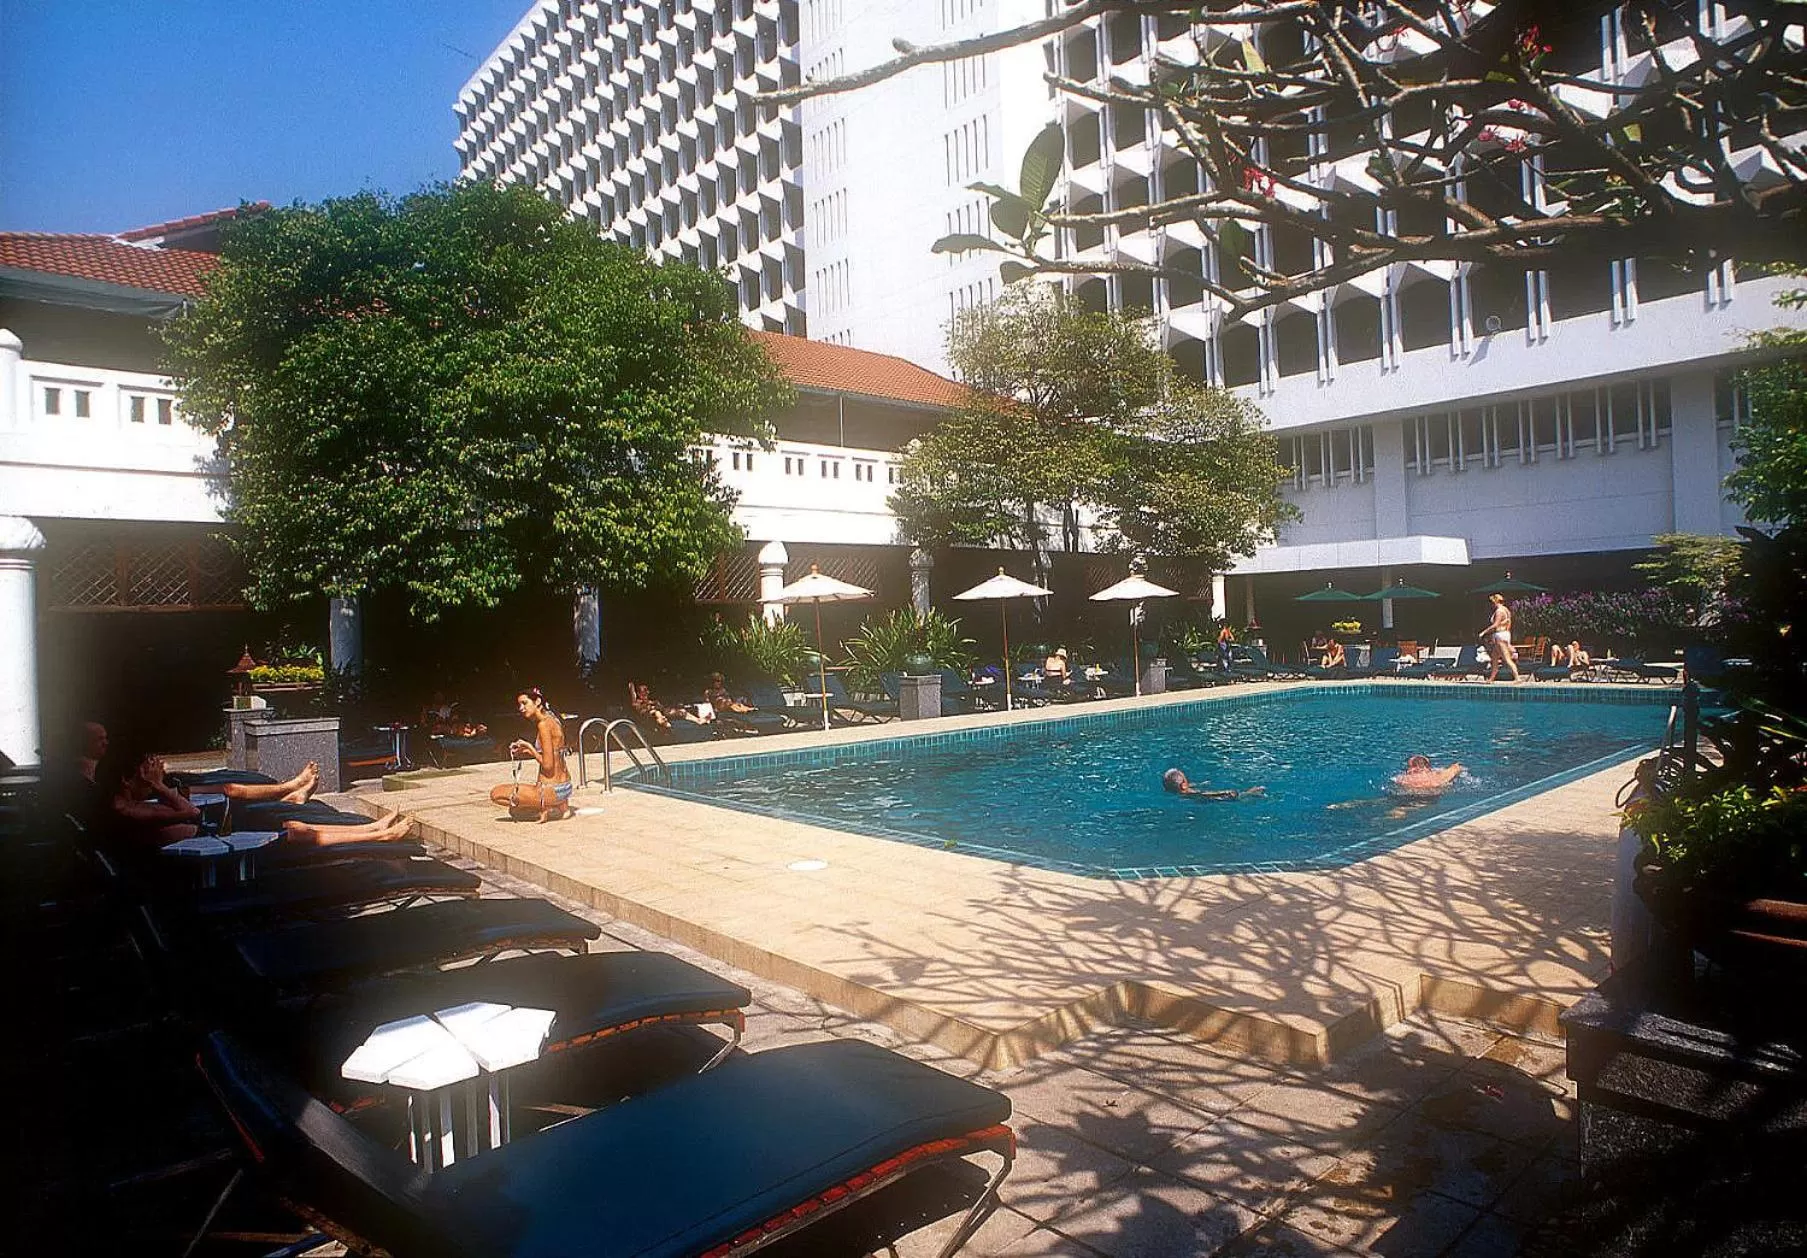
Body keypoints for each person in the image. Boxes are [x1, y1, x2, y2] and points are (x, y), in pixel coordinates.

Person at [98, 747, 414, 848]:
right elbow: (190, 813)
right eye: (143, 772)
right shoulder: (129, 810)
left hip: (216, 836)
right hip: (222, 846)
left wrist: (157, 783)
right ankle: (379, 833)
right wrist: (160, 786)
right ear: (126, 779)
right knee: (298, 830)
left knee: (295, 827)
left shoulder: (128, 804)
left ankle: (375, 830)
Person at [489, 687, 573, 822]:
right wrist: (527, 751)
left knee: (496, 794)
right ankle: (558, 806)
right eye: (519, 705)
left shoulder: (543, 724)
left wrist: (529, 747)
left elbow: (548, 765)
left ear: (537, 701)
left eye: (524, 703)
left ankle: (549, 805)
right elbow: (554, 753)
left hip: (551, 789)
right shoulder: (552, 719)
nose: (521, 708)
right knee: (516, 810)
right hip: (564, 786)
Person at [1479, 594, 1522, 683]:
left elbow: (1496, 624)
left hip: (1500, 635)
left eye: (1492, 603)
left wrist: (1484, 632)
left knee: (1506, 658)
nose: (1491, 605)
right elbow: (1509, 623)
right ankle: (1491, 678)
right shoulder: (1506, 610)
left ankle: (1517, 677)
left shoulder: (1499, 611)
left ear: (1495, 602)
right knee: (1494, 659)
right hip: (1504, 634)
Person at [1162, 768, 1266, 801]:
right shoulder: (1197, 795)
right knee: (1231, 794)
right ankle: (1250, 793)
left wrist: (1201, 784)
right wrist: (1248, 793)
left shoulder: (1177, 792)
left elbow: (1185, 787)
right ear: (1184, 786)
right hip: (1209, 798)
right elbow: (1226, 794)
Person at [1390, 754, 1466, 797]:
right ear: (1428, 767)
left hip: (1410, 795)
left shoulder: (1403, 778)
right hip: (1432, 797)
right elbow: (1457, 767)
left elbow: (1395, 781)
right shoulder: (1438, 776)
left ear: (1411, 768)